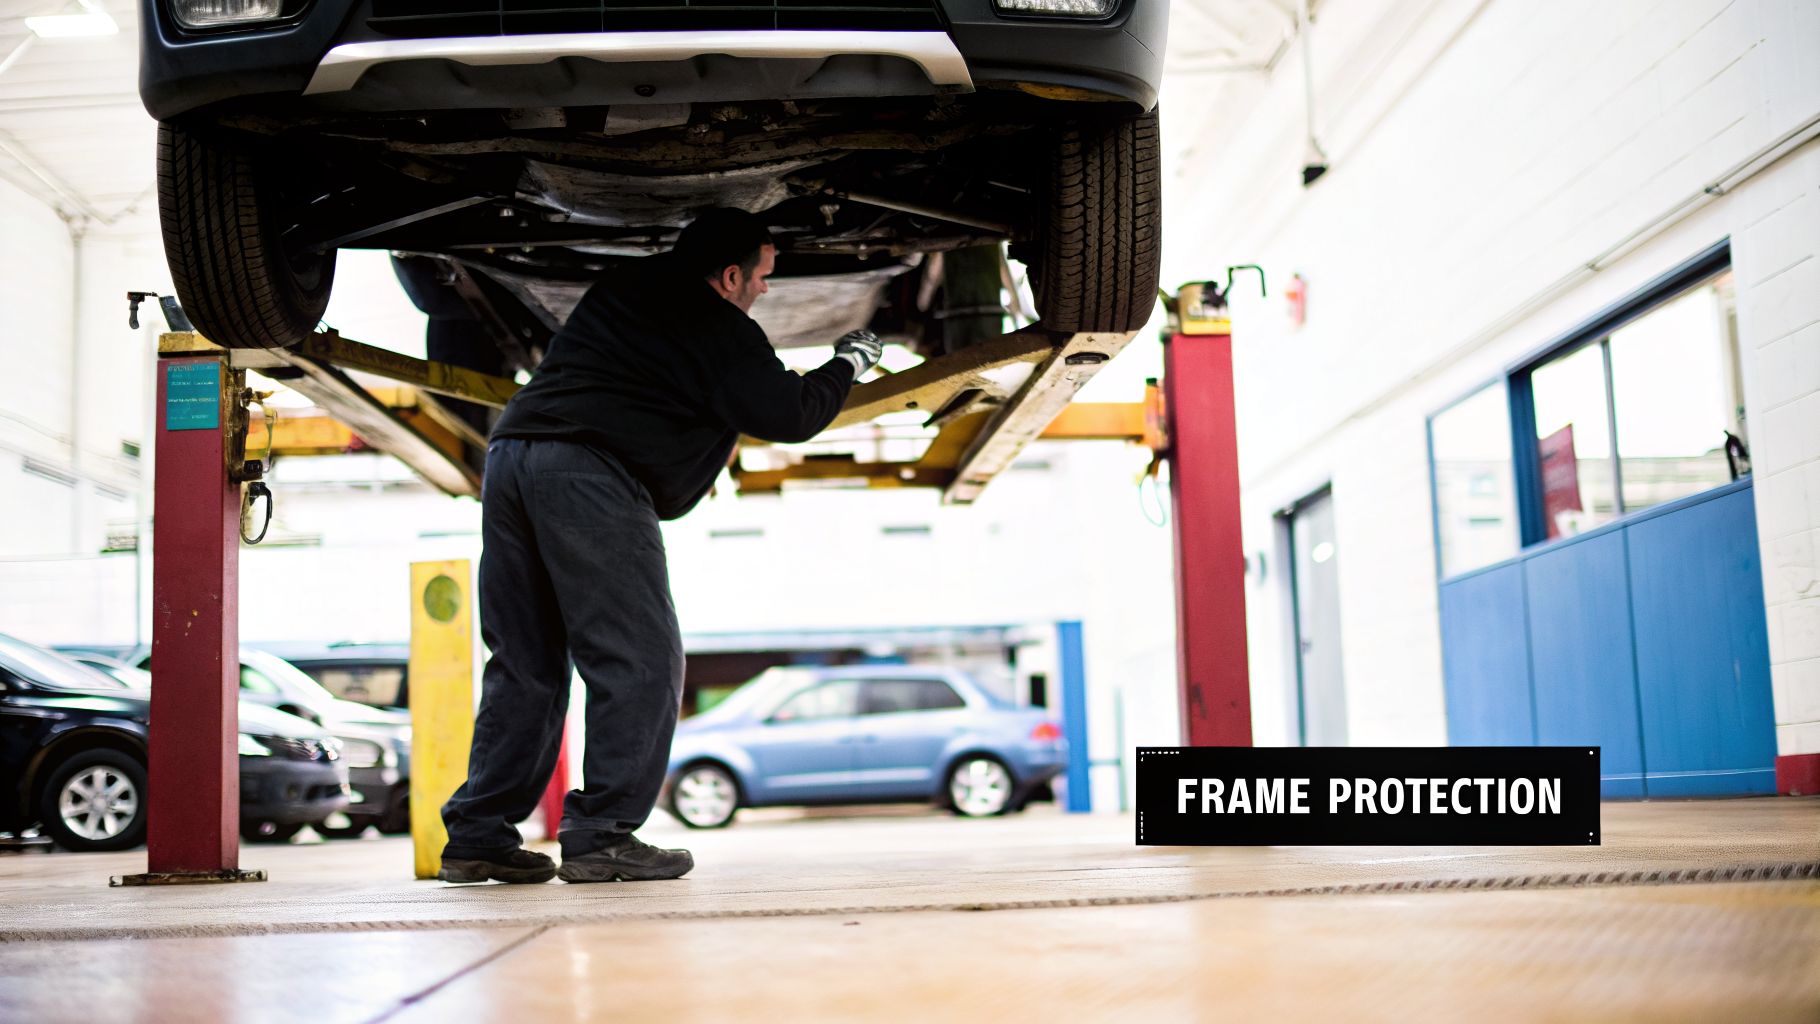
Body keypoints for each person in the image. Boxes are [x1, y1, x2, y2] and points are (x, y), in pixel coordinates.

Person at [438, 208, 884, 884]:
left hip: (512, 456)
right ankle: (604, 834)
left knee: (525, 660)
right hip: (587, 472)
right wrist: (847, 361)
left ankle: (477, 837)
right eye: (763, 277)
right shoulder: (718, 324)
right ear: (731, 274)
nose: (765, 290)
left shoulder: (621, 289)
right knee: (640, 657)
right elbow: (791, 413)